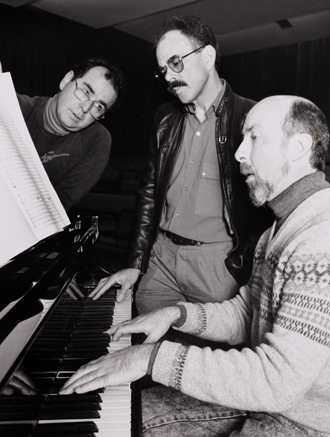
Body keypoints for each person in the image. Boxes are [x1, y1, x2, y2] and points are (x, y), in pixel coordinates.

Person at [60, 95, 330, 436]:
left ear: (298, 147)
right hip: (265, 404)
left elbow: (278, 379)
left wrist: (149, 358)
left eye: (254, 137)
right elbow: (246, 314)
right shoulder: (277, 230)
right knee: (131, 419)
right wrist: (177, 314)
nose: (238, 153)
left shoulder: (325, 237)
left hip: (305, 421)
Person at [90, 16, 273, 314]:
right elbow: (148, 194)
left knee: (209, 360)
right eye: (163, 70)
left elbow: (265, 210)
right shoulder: (165, 117)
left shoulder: (252, 117)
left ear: (208, 56)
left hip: (219, 269)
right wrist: (136, 263)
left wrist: (246, 271)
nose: (169, 78)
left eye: (175, 63)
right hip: (160, 263)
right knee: (143, 354)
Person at [16, 57, 124, 211]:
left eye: (99, 106)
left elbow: (56, 208)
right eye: (86, 91)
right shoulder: (13, 106)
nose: (86, 108)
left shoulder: (96, 140)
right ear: (66, 81)